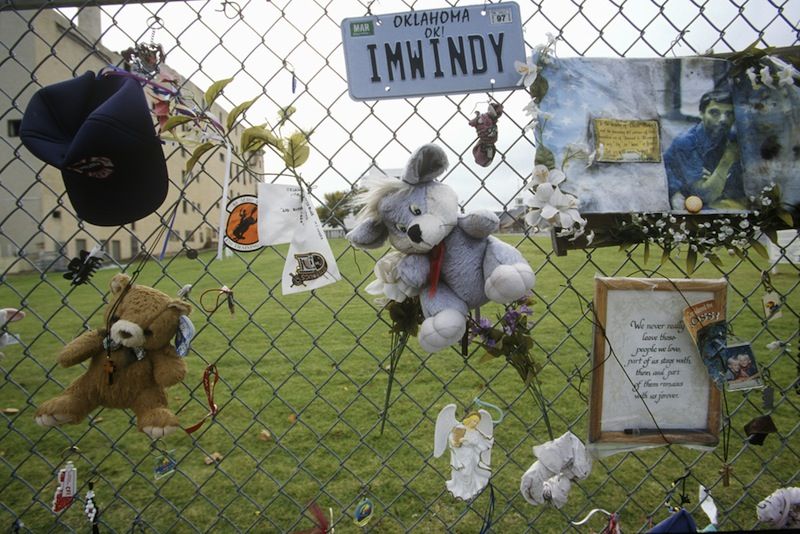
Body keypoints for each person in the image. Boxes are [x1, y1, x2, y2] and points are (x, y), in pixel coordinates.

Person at [664, 90, 745, 210]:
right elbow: (704, 196)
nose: (723, 119)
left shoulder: (733, 138)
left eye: (729, 114)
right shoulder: (687, 142)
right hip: (686, 203)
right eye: (715, 113)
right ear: (701, 113)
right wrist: (727, 159)